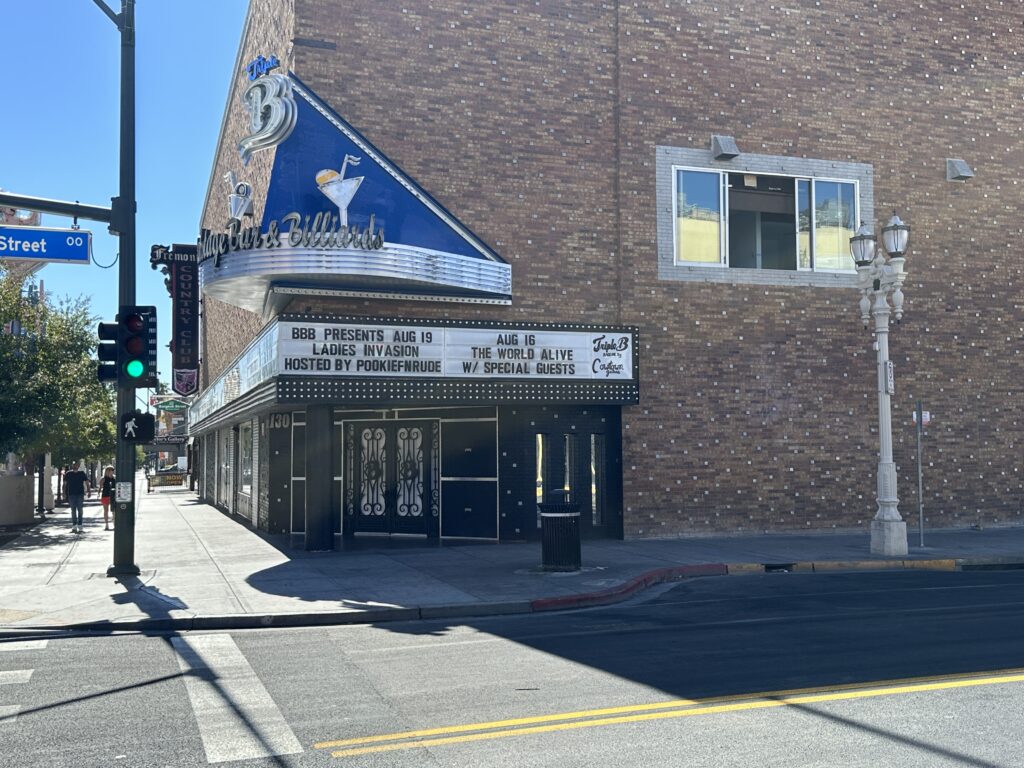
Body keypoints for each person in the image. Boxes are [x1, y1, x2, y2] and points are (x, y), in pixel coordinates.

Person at [64, 461, 90, 534]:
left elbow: (87, 482)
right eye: (74, 464)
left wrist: (89, 491)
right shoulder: (68, 473)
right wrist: (64, 493)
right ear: (72, 465)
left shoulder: (82, 473)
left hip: (80, 494)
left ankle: (80, 525)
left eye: (77, 464)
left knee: (80, 510)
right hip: (71, 494)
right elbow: (65, 484)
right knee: (73, 510)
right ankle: (74, 526)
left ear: (78, 465)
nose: (75, 465)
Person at [99, 465, 116, 531]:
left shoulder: (115, 478)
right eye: (109, 470)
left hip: (113, 496)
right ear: (106, 471)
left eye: (112, 470)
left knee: (114, 511)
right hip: (105, 496)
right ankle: (106, 524)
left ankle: (114, 524)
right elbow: (100, 487)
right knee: (106, 511)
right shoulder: (103, 478)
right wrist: (98, 494)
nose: (110, 471)